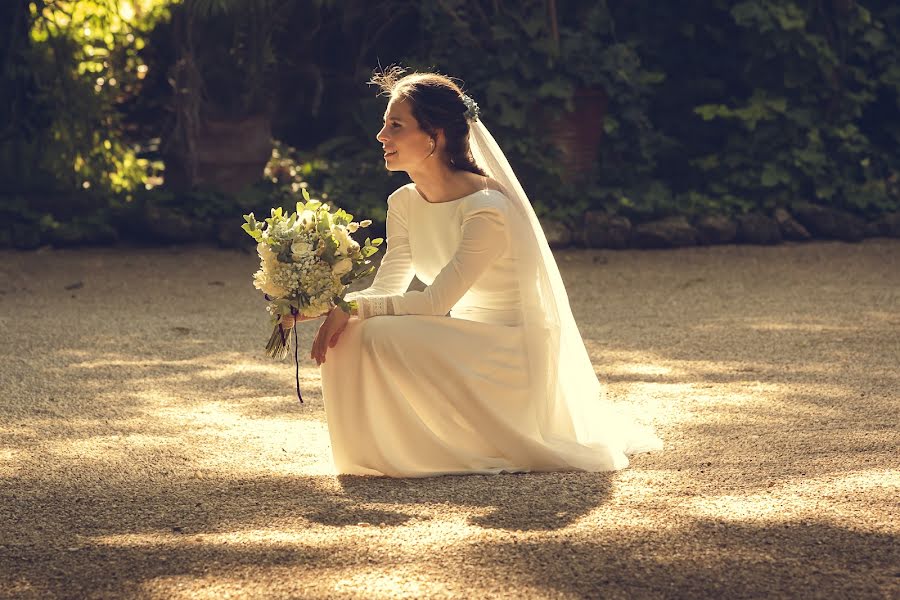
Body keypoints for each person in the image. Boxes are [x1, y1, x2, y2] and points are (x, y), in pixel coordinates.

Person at [282, 68, 662, 477]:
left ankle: (416, 455)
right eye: (384, 125)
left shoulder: (486, 207)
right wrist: (324, 306)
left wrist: (351, 309)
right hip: (465, 339)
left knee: (367, 328)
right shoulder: (404, 202)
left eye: (396, 125)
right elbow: (389, 286)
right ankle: (372, 459)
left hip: (510, 352)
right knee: (351, 332)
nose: (381, 136)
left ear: (436, 135)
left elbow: (434, 302)